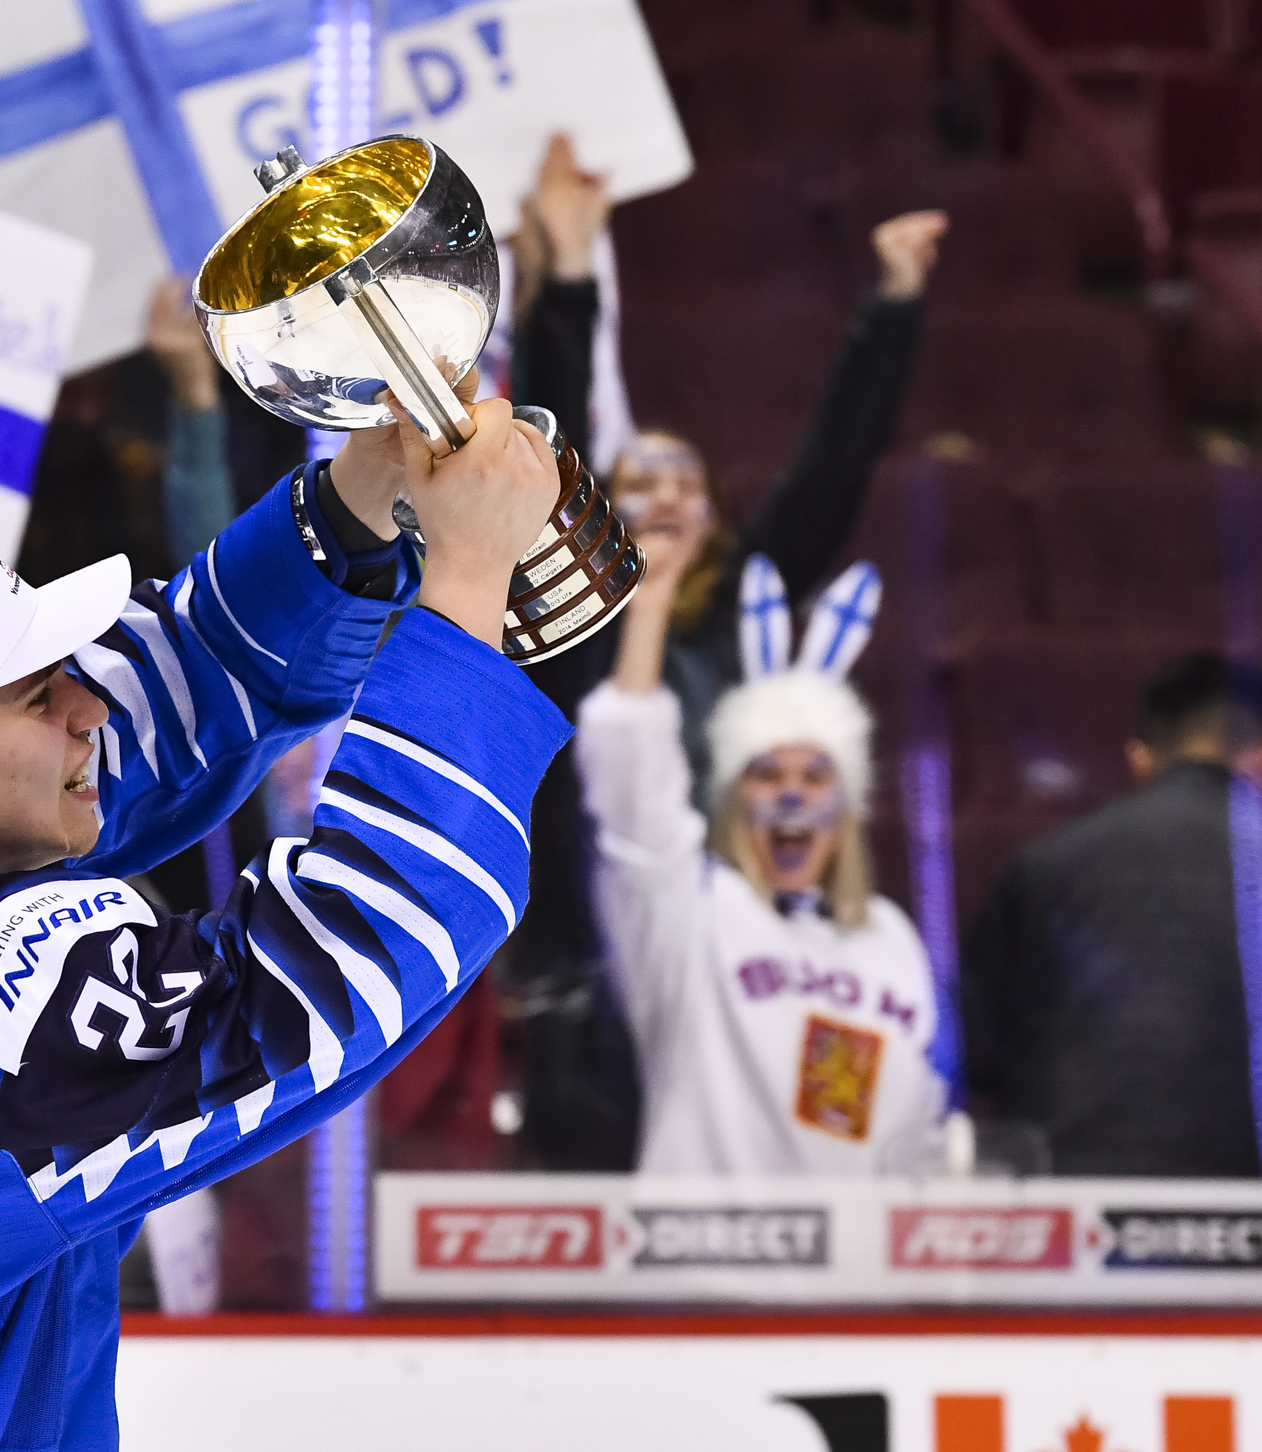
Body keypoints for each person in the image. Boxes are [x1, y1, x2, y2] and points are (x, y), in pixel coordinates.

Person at [0, 385, 565, 1449]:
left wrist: (350, 507)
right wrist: (467, 582)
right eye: (37, 695)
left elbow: (164, 689)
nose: (87, 705)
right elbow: (365, 940)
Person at [514, 204, 951, 1172]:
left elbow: (830, 475)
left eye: (685, 484)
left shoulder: (740, 616)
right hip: (580, 971)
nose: (665, 496)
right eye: (637, 482)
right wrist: (571, 274)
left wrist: (892, 301)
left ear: (713, 519)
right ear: (592, 511)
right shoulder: (550, 620)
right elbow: (538, 462)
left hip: (721, 946)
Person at [576, 527, 949, 1173]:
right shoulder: (688, 906)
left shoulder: (892, 939)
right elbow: (631, 776)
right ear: (731, 795)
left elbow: (920, 1134)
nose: (791, 798)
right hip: (705, 1261)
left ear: (847, 806)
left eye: (815, 777)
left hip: (855, 1266)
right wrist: (650, 606)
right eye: (767, 775)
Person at [962, 654, 1262, 1177]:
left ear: (1140, 760)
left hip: (1080, 1216)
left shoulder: (1044, 866)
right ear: (1256, 758)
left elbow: (975, 1054)